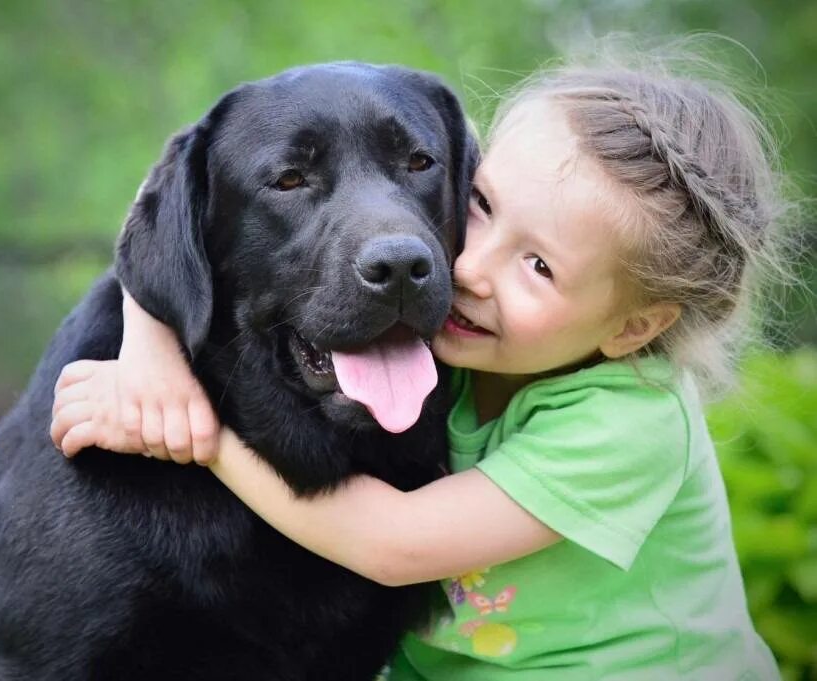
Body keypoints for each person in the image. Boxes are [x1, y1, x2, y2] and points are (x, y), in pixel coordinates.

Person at [50, 41, 791, 679]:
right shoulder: (472, 344)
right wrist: (150, 352)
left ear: (633, 327)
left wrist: (196, 431)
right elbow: (179, 196)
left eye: (538, 266)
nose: (469, 268)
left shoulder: (630, 423)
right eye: (482, 207)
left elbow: (391, 545)